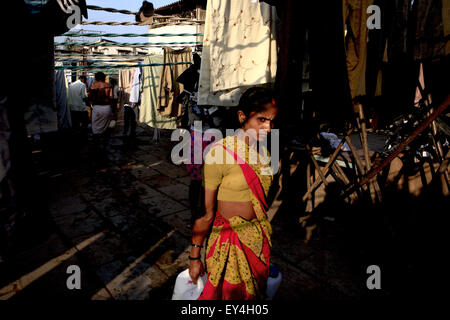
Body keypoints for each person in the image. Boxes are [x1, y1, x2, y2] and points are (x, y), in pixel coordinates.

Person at [188, 87, 278, 300]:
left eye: (272, 121)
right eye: (262, 120)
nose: (268, 127)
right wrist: (194, 258)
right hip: (228, 244)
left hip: (257, 241)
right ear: (242, 117)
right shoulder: (220, 154)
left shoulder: (264, 153)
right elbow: (205, 213)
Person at [88, 72, 114, 138]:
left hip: (96, 108)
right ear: (104, 78)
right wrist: (113, 111)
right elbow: (111, 98)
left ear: (96, 78)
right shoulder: (109, 86)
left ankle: (96, 143)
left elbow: (90, 99)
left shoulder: (92, 87)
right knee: (105, 127)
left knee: (95, 128)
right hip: (107, 108)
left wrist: (91, 109)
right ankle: (103, 143)